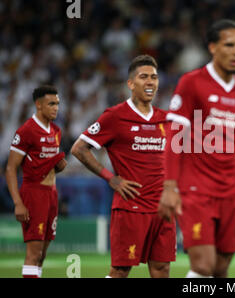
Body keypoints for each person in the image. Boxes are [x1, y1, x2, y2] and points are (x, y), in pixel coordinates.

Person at [158, 19, 235, 278]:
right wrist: (169, 186)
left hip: (230, 192)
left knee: (219, 270)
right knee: (203, 266)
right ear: (213, 47)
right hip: (195, 189)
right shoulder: (192, 82)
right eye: (229, 45)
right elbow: (174, 135)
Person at [71, 55, 176, 278]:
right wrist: (111, 178)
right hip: (131, 205)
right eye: (144, 77)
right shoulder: (115, 116)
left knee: (162, 269)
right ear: (130, 83)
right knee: (120, 270)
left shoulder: (165, 119)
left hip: (162, 208)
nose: (150, 82)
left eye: (154, 78)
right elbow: (79, 149)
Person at [5, 85, 67, 278]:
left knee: (42, 254)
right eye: (51, 104)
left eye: (57, 103)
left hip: (51, 194)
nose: (56, 108)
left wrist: (59, 165)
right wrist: (18, 203)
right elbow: (10, 168)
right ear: (38, 105)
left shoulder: (56, 130)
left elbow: (46, 162)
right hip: (33, 193)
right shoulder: (26, 131)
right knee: (33, 253)